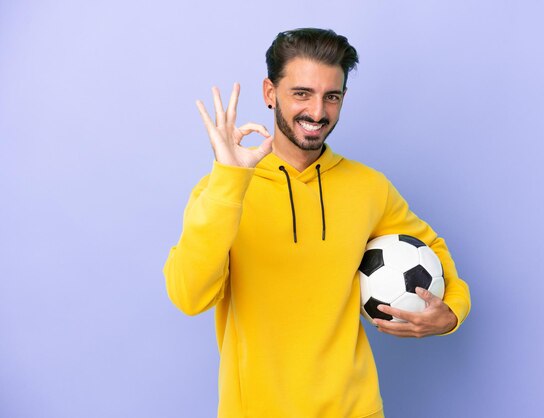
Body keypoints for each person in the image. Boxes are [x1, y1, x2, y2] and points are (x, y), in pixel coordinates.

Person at [164, 28, 471, 418]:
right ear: (270, 93)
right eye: (301, 93)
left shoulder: (369, 187)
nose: (318, 112)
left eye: (332, 96)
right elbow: (188, 296)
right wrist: (229, 183)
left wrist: (453, 313)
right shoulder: (221, 190)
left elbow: (434, 251)